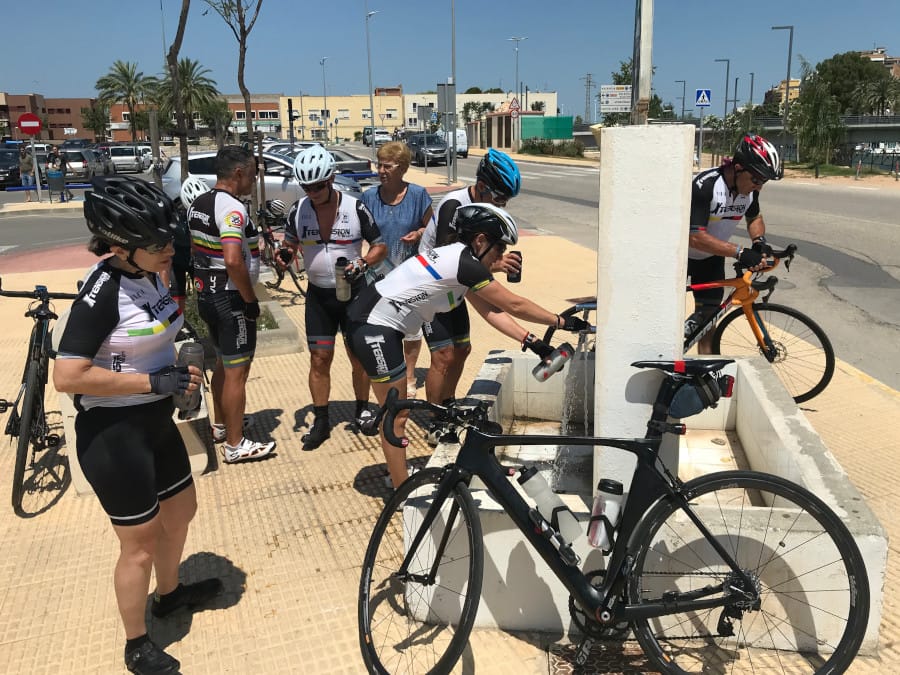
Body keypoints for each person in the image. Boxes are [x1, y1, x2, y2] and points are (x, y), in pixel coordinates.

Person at [53, 176, 222, 675]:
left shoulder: (151, 273)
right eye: (158, 243)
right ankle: (136, 642)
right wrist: (153, 382)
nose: (170, 248)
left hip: (154, 420)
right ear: (122, 247)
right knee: (140, 543)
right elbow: (68, 376)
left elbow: (152, 336)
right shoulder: (103, 289)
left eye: (169, 237)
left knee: (183, 508)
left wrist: (181, 369)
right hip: (113, 434)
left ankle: (169, 596)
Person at [348, 203, 588, 487]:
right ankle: (402, 491)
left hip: (381, 323)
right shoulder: (463, 264)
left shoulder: (460, 262)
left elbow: (491, 311)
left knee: (396, 412)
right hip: (372, 325)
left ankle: (397, 475)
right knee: (396, 415)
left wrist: (533, 343)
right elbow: (514, 304)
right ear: (480, 241)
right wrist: (560, 321)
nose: (500, 257)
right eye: (499, 249)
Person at [283, 145, 387, 450]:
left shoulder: (355, 208)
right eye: (306, 187)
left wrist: (363, 263)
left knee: (359, 358)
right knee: (319, 358)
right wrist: (284, 254)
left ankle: (362, 409)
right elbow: (289, 244)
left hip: (354, 293)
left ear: (330, 180)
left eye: (317, 186)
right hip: (319, 296)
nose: (312, 192)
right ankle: (322, 420)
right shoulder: (297, 210)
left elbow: (380, 248)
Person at [418, 148, 523, 443]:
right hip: (430, 290)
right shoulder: (454, 205)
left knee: (462, 350)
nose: (503, 204)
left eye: (507, 199)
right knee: (442, 355)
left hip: (454, 289)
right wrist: (494, 265)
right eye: (499, 197)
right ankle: (435, 420)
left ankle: (448, 404)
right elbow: (447, 258)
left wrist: (495, 259)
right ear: (482, 186)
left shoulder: (487, 207)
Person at [187, 146, 275, 462]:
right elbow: (233, 260)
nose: (254, 179)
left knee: (224, 363)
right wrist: (250, 302)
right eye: (253, 173)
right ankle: (236, 446)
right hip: (230, 298)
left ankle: (222, 425)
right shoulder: (231, 208)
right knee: (238, 371)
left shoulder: (199, 203)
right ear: (238, 173)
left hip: (207, 295)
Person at [687, 133, 783, 353]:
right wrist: (739, 252)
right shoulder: (706, 185)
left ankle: (705, 373)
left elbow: (755, 218)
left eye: (764, 182)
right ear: (738, 168)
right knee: (665, 319)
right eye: (757, 179)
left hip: (710, 259)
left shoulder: (748, 191)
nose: (759, 187)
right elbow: (695, 237)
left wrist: (759, 241)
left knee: (708, 322)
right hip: (678, 257)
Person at [360, 141, 434, 398]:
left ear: (401, 168)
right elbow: (362, 232)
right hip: (376, 275)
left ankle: (410, 375)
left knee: (411, 327)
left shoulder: (418, 195)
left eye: (387, 166)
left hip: (409, 273)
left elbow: (432, 229)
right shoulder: (368, 197)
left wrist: (419, 233)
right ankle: (388, 372)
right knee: (380, 326)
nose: (381, 170)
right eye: (379, 164)